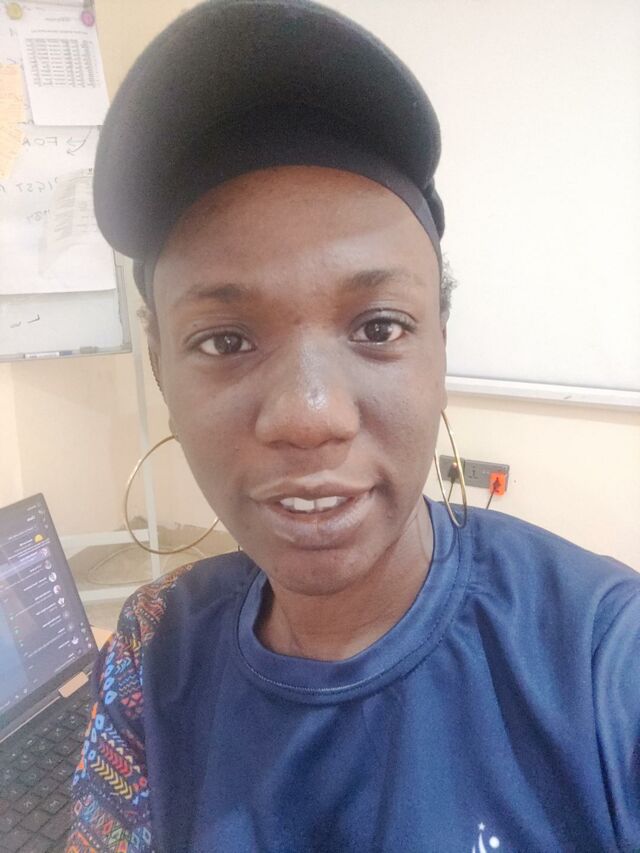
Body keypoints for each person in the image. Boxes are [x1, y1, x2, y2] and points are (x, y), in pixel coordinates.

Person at [67, 1, 640, 850]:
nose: (310, 417)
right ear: (159, 363)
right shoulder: (153, 656)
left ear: (440, 344)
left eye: (378, 327)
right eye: (225, 340)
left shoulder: (603, 658)